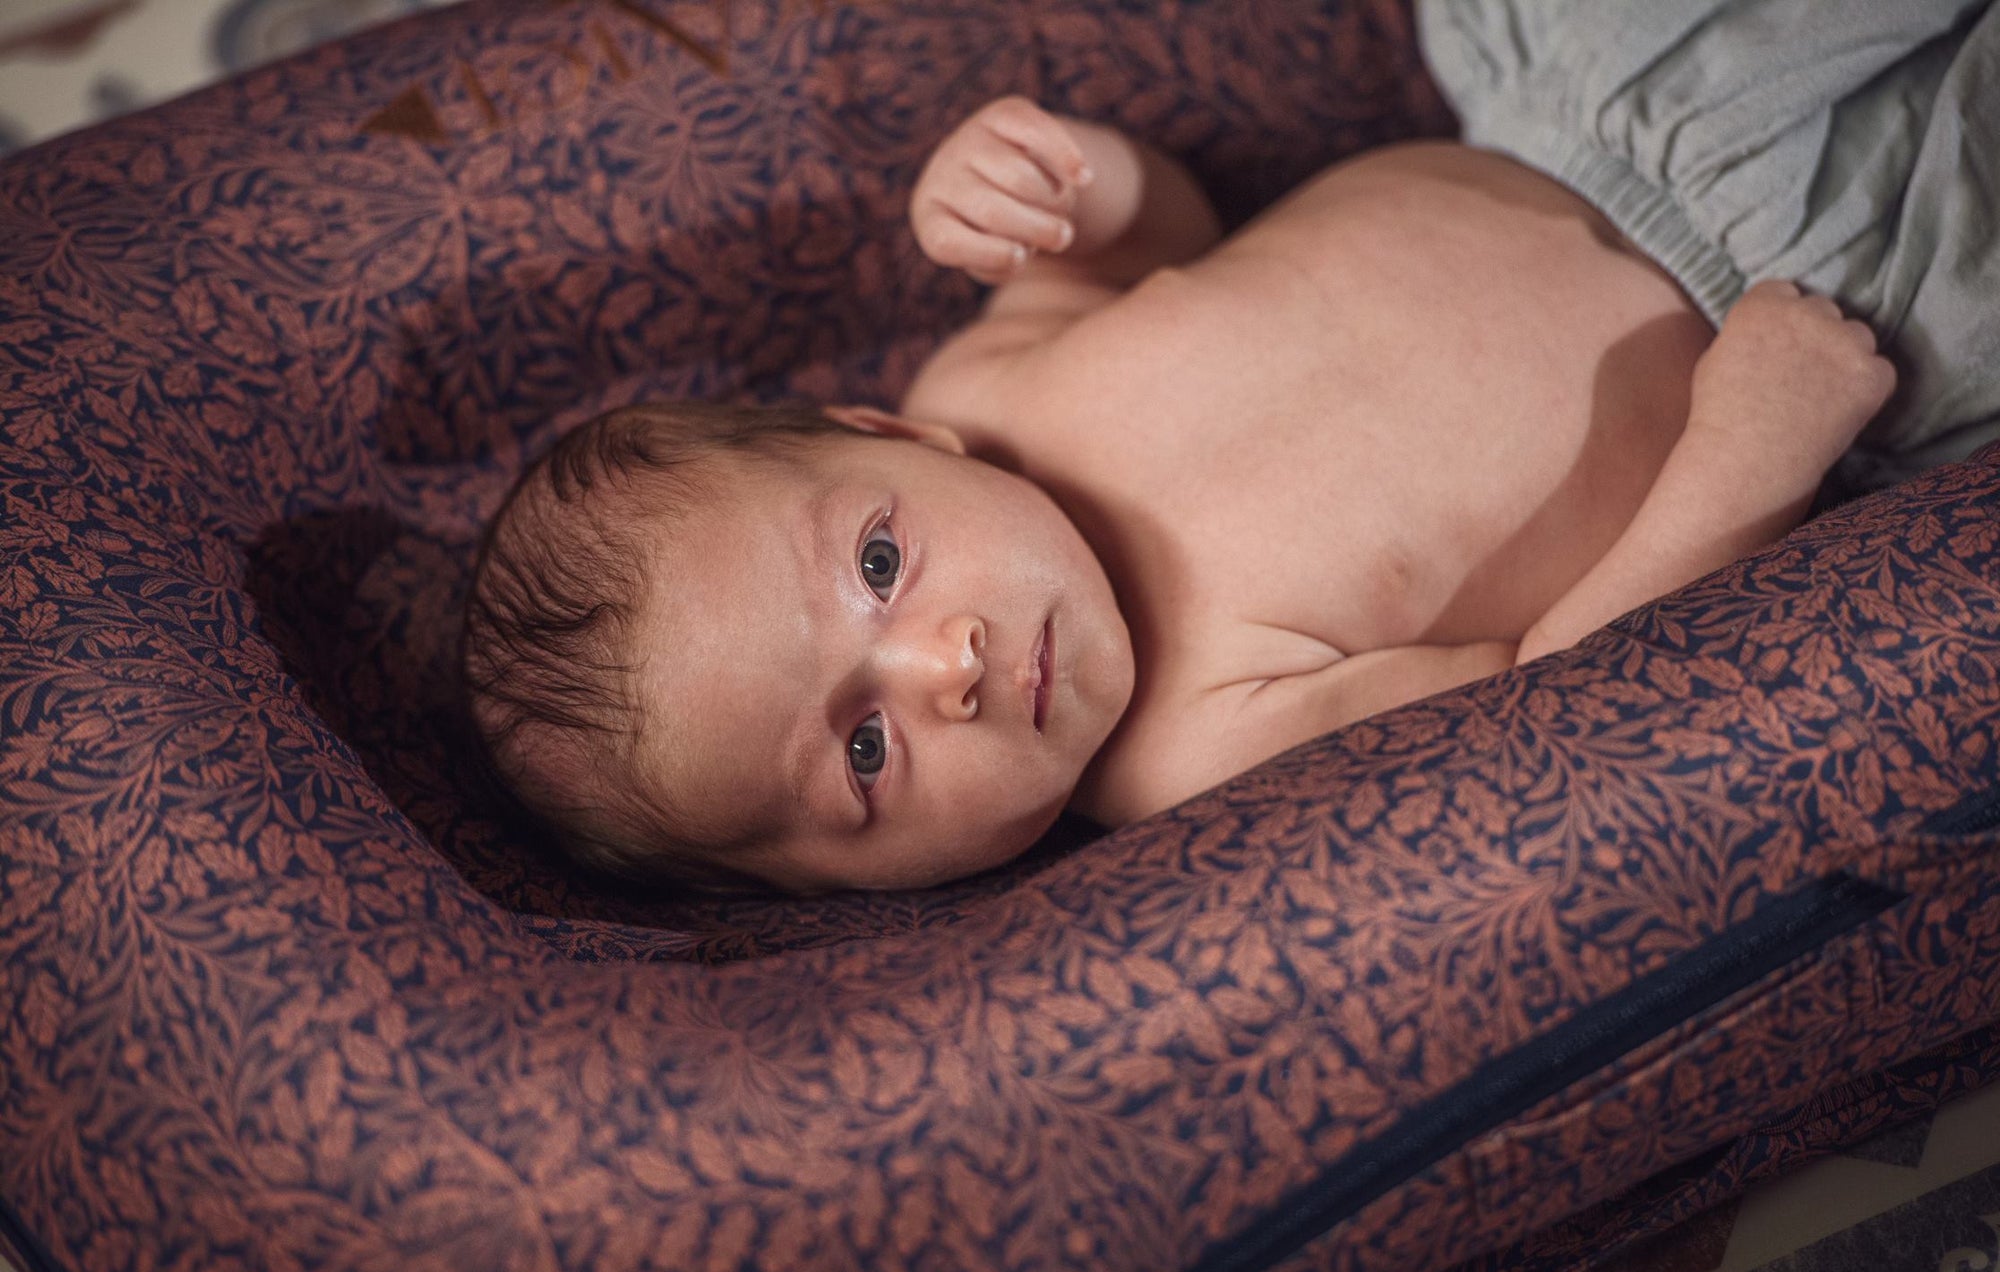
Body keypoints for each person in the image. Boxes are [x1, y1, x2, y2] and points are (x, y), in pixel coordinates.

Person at [463, 0, 2000, 893]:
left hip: (1593, 98)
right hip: (1843, 305)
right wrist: (1755, 454)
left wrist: (1064, 184)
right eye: (864, 753)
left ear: (885, 430)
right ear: (850, 892)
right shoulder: (1194, 751)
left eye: (878, 564)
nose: (948, 666)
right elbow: (1558, 689)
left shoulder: (989, 382)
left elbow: (1164, 241)